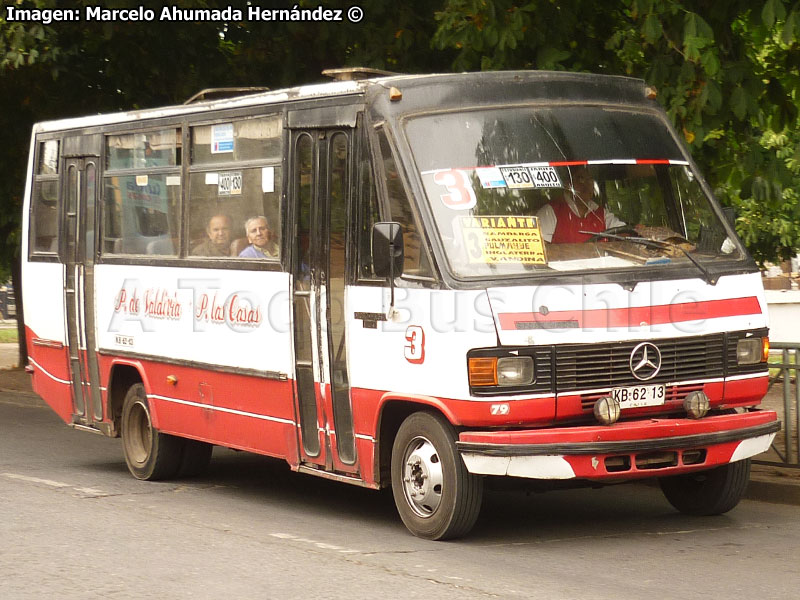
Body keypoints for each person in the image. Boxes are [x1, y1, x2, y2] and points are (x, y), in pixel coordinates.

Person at [537, 166, 625, 243]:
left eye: (590, 179)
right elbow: (541, 250)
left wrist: (637, 232)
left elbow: (624, 233)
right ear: (568, 184)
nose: (587, 185)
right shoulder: (550, 212)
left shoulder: (602, 214)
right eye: (580, 179)